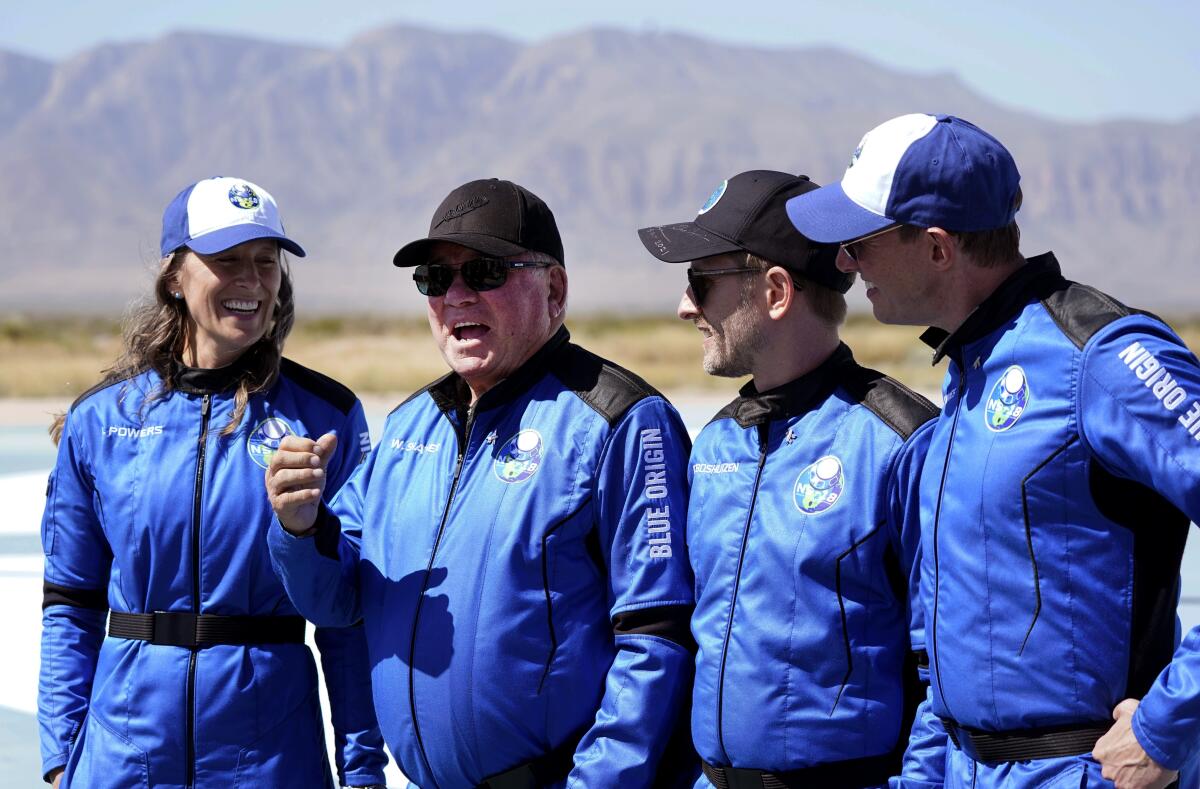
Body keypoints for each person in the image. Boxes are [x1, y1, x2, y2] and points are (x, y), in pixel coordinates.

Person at [787, 113, 1200, 788]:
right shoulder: (969, 369)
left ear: (939, 247)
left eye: (860, 242)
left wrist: (1166, 725)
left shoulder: (1101, 357)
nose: (844, 262)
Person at [265, 178, 697, 787]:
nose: (457, 296)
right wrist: (300, 528)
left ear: (555, 288)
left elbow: (658, 638)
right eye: (435, 279)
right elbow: (335, 600)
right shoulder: (413, 426)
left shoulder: (619, 422)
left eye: (486, 272)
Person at [37, 177, 389, 788]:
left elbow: (348, 616)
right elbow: (70, 602)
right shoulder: (101, 420)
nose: (251, 280)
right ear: (175, 276)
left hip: (270, 763)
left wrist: (360, 771)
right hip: (122, 761)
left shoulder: (324, 416)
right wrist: (62, 760)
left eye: (265, 261)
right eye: (226, 261)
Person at [639, 170, 944, 788]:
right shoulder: (716, 443)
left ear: (776, 291)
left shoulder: (905, 443)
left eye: (702, 281)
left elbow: (946, 667)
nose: (684, 306)